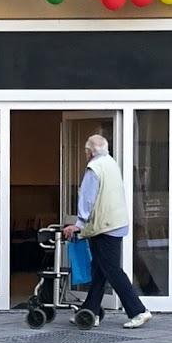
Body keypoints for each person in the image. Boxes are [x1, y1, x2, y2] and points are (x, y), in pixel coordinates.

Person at [63, 134, 152, 329]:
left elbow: (88, 199)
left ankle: (138, 310)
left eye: (86, 150)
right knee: (100, 269)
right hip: (115, 224)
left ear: (90, 151)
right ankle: (91, 311)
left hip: (104, 227)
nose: (85, 153)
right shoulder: (111, 164)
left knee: (111, 269)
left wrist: (78, 224)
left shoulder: (93, 168)